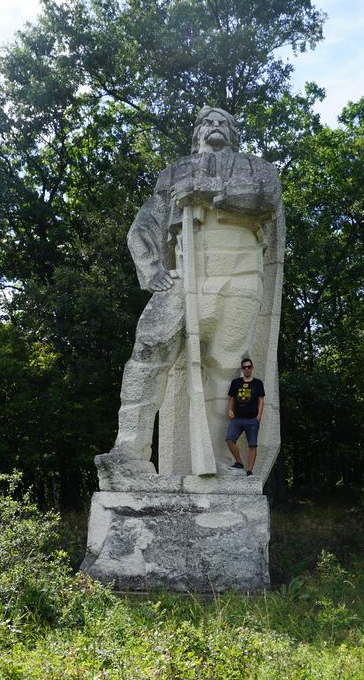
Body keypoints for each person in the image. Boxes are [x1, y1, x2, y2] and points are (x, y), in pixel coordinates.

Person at [96, 106, 283, 479]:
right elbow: (143, 225)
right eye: (207, 122)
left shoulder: (256, 168)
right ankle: (129, 453)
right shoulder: (175, 172)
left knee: (226, 370)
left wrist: (209, 192)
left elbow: (265, 199)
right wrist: (151, 270)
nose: (215, 127)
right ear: (196, 132)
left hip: (241, 276)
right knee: (149, 353)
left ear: (233, 132)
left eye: (223, 122)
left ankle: (218, 460)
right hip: (187, 274)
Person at [226, 358, 264, 476]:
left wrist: (258, 417)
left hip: (252, 419)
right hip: (237, 419)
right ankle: (239, 463)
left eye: (249, 367)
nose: (246, 369)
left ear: (252, 368)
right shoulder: (236, 382)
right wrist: (229, 410)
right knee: (229, 439)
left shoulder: (258, 383)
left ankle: (249, 470)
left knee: (252, 445)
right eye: (244, 367)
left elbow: (261, 400)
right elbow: (231, 398)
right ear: (242, 369)